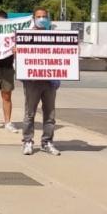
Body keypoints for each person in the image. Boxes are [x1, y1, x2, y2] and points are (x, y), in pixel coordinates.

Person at [21, 8, 61, 156]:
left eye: (44, 16)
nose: (42, 19)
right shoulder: (25, 35)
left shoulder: (54, 36)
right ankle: (27, 141)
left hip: (50, 80)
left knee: (50, 114)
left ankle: (47, 142)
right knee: (30, 113)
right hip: (32, 80)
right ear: (33, 18)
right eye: (39, 16)